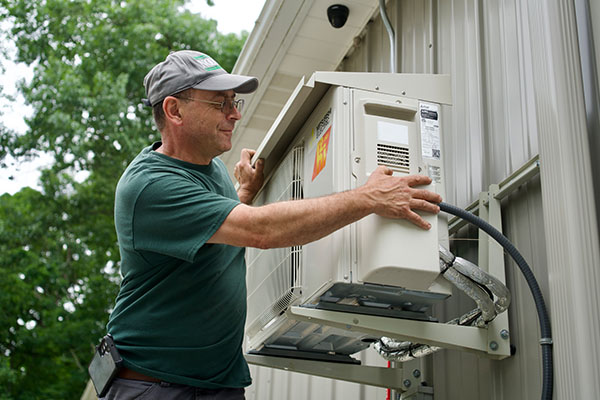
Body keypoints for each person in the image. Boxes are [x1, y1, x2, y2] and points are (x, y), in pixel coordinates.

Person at [102, 50, 442, 400]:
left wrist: (243, 193)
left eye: (235, 102)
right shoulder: (148, 187)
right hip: (153, 384)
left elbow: (216, 230)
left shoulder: (212, 168)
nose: (234, 114)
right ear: (175, 110)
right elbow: (258, 232)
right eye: (221, 104)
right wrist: (369, 198)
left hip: (216, 385)